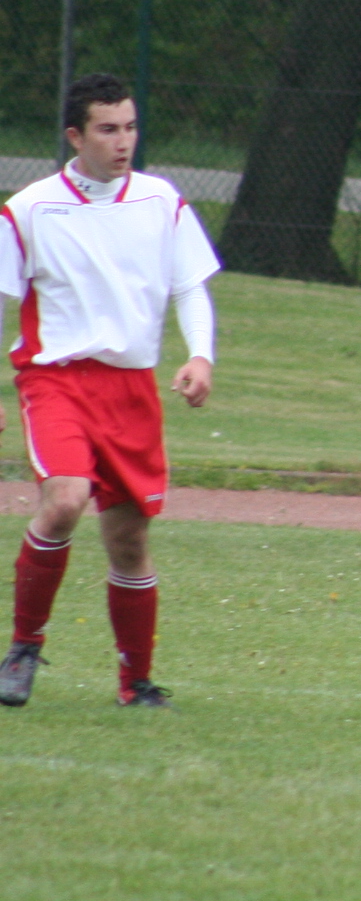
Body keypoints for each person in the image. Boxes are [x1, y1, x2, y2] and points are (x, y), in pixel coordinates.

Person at [0, 73, 219, 710]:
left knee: (128, 540)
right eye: (107, 129)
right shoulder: (30, 209)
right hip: (57, 381)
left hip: (131, 389)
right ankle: (23, 648)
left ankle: (136, 684)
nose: (123, 141)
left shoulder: (160, 200)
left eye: (130, 127)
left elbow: (188, 285)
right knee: (65, 500)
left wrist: (200, 355)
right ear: (75, 136)